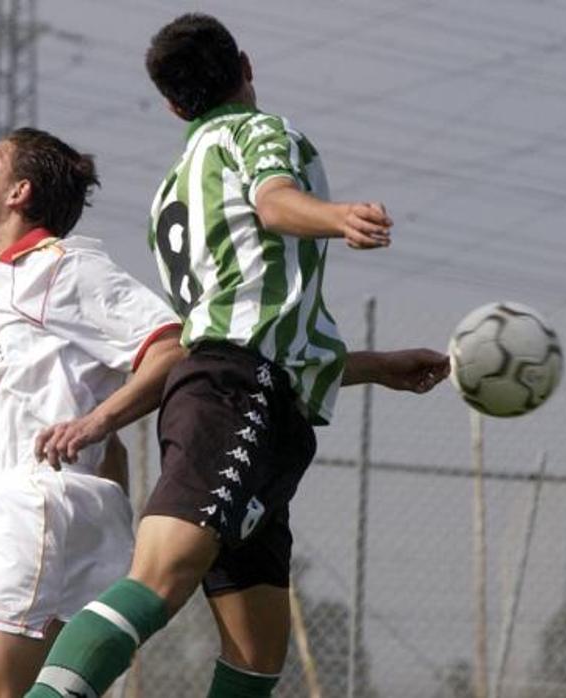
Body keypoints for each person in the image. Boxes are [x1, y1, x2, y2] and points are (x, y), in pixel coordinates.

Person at [27, 13, 450, 698]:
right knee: (159, 578)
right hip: (233, 396)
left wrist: (375, 366)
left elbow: (247, 317)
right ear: (246, 66)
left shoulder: (175, 185)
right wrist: (337, 216)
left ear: (171, 104)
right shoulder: (257, 133)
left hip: (250, 395)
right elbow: (276, 203)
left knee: (257, 650)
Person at [0, 127, 185, 698]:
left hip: (36, 510)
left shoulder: (62, 268)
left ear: (18, 192)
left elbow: (171, 348)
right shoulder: (6, 281)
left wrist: (97, 423)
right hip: (1, 510)